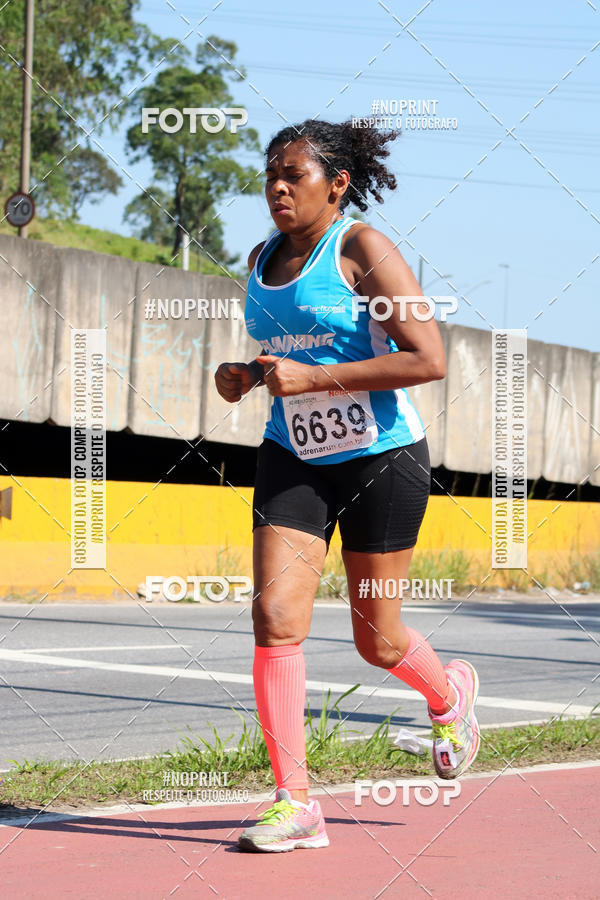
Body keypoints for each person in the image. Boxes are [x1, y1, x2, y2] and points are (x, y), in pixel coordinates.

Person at [214, 119, 480, 853]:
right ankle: (293, 802)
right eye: (270, 174)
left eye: (294, 175)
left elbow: (428, 356)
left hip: (381, 459)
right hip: (293, 453)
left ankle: (448, 696)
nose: (276, 187)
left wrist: (314, 377)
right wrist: (243, 375)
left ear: (336, 185)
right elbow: (284, 355)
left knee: (378, 640)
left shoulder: (362, 248)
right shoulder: (260, 258)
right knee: (275, 616)